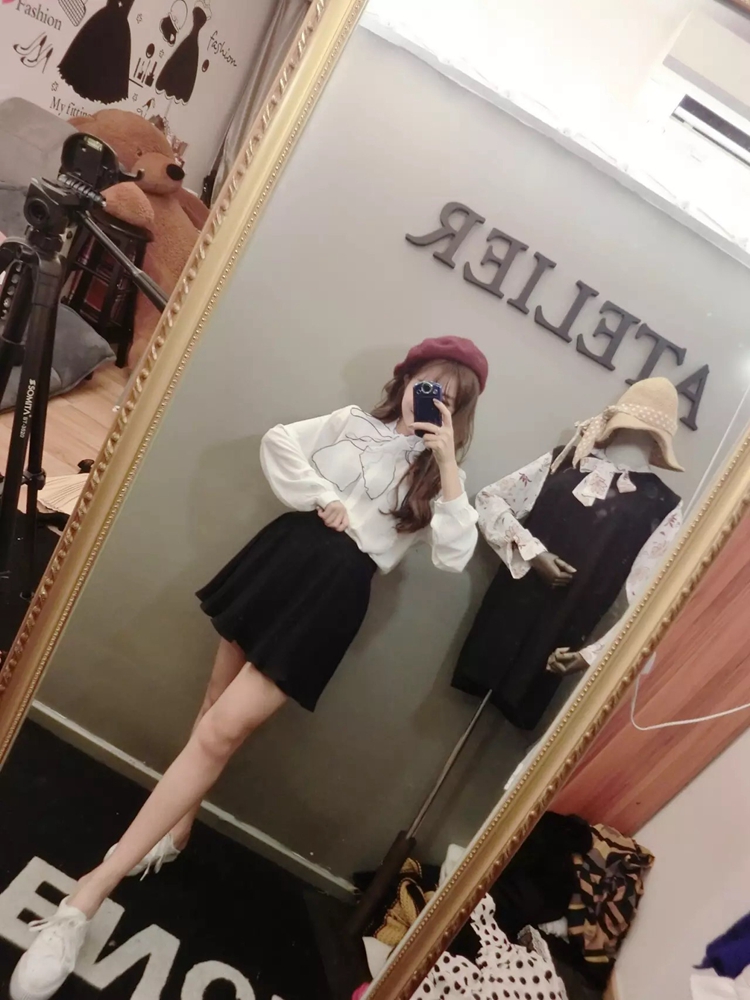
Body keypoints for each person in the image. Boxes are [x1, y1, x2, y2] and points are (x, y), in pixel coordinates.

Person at [10, 336, 488, 1000]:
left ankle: (86, 896)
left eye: (449, 399)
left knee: (221, 730)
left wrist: (448, 461)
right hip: (284, 556)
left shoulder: (438, 480)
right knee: (214, 703)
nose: (429, 400)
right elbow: (279, 442)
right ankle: (177, 830)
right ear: (406, 380)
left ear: (459, 414)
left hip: (334, 593)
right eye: (425, 384)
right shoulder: (351, 422)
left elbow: (456, 554)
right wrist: (321, 495)